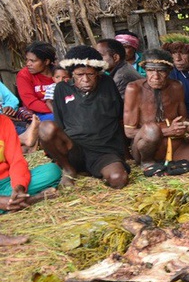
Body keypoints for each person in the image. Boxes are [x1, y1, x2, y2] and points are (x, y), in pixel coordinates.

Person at [39, 46, 129, 189]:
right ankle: (68, 169)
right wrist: (59, 155)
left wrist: (125, 154)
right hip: (74, 148)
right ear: (71, 74)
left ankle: (96, 170)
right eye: (80, 75)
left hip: (104, 151)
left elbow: (119, 118)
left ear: (98, 74)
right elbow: (60, 123)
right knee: (45, 127)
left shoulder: (107, 83)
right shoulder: (62, 88)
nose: (85, 79)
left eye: (90, 74)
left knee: (118, 179)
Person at [123, 49, 189, 171]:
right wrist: (168, 131)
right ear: (145, 71)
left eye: (161, 71)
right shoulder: (134, 89)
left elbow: (183, 119)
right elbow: (129, 132)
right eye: (151, 71)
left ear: (169, 71)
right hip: (147, 149)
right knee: (151, 129)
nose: (156, 76)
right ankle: (147, 164)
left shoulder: (177, 86)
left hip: (176, 146)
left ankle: (173, 165)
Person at [0, 113, 61, 213]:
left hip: (7, 182)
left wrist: (19, 187)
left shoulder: (4, 122)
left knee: (52, 171)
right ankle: (31, 199)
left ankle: (13, 202)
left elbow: (16, 160)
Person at [16, 41, 56, 120]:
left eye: (33, 61)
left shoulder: (59, 73)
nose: (28, 64)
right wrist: (57, 111)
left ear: (46, 61)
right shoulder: (24, 75)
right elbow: (31, 102)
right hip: (37, 113)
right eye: (27, 60)